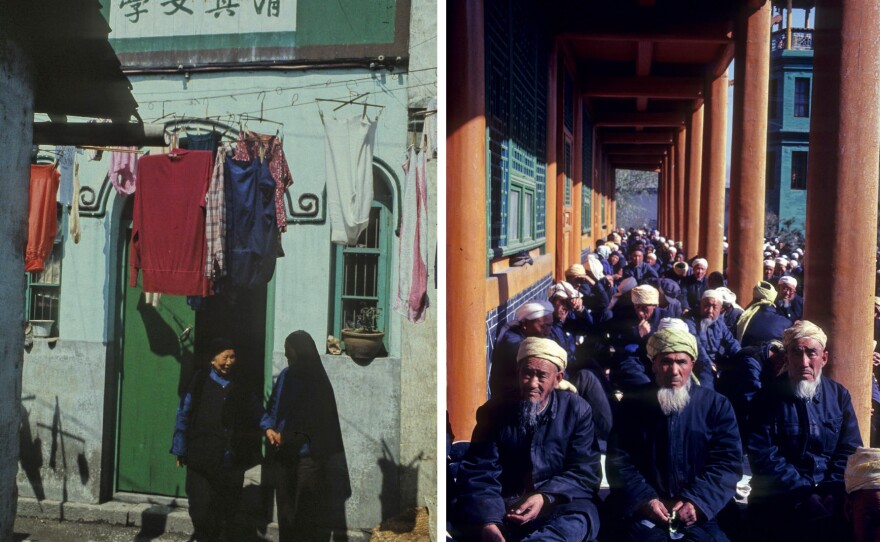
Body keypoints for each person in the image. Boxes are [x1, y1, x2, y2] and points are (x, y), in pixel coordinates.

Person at [453, 337, 602, 541]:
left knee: (577, 522)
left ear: (557, 379)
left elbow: (584, 471)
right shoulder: (495, 412)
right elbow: (480, 472)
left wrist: (544, 497)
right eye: (527, 374)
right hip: (505, 505)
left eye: (541, 376)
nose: (532, 383)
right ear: (518, 372)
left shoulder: (577, 410)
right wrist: (490, 520)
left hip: (559, 501)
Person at [605, 326, 742, 541]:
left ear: (692, 365)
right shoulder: (633, 405)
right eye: (666, 362)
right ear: (654, 366)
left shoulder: (716, 405)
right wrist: (645, 499)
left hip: (702, 512)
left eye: (682, 362)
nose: (674, 371)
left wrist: (696, 501)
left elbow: (727, 463)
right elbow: (619, 460)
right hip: (645, 511)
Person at [747, 320, 862, 542]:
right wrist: (803, 493)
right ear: (786, 358)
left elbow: (850, 450)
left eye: (812, 353)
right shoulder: (766, 397)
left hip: (831, 496)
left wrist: (830, 492)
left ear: (824, 358)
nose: (804, 362)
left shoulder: (839, 396)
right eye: (796, 353)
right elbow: (763, 455)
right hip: (782, 497)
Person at [171, 338, 265, 542]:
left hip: (229, 459)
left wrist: (270, 428)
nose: (229, 362)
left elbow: (256, 410)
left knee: (227, 509)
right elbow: (184, 413)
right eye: (225, 357)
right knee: (201, 509)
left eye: (233, 357)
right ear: (213, 359)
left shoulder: (240, 384)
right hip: (201, 457)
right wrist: (180, 447)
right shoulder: (200, 380)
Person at [262, 331, 350, 542]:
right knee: (285, 514)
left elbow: (315, 424)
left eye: (290, 354)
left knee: (305, 517)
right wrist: (269, 428)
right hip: (284, 456)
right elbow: (272, 407)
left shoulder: (316, 383)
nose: (287, 358)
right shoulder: (285, 376)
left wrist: (288, 437)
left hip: (307, 459)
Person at [490, 301, 553, 398]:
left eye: (550, 325)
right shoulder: (512, 341)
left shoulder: (532, 335)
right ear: (525, 324)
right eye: (543, 326)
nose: (547, 331)